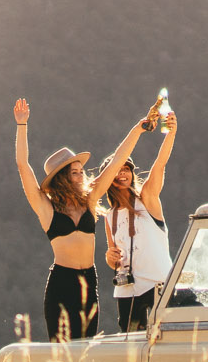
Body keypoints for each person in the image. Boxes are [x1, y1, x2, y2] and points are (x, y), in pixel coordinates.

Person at [13, 96, 151, 342]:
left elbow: (118, 159)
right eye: (74, 172)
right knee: (62, 354)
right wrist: (22, 125)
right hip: (61, 283)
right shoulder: (47, 208)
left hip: (89, 280)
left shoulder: (89, 199)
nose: (81, 175)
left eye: (80, 171)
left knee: (86, 350)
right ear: (63, 178)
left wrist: (139, 128)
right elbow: (23, 166)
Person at [103, 105, 177, 331]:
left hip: (158, 285)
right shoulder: (109, 217)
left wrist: (171, 132)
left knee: (163, 342)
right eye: (117, 170)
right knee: (131, 350)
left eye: (127, 169)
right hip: (126, 291)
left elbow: (159, 166)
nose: (122, 174)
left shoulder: (147, 199)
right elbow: (113, 261)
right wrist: (110, 256)